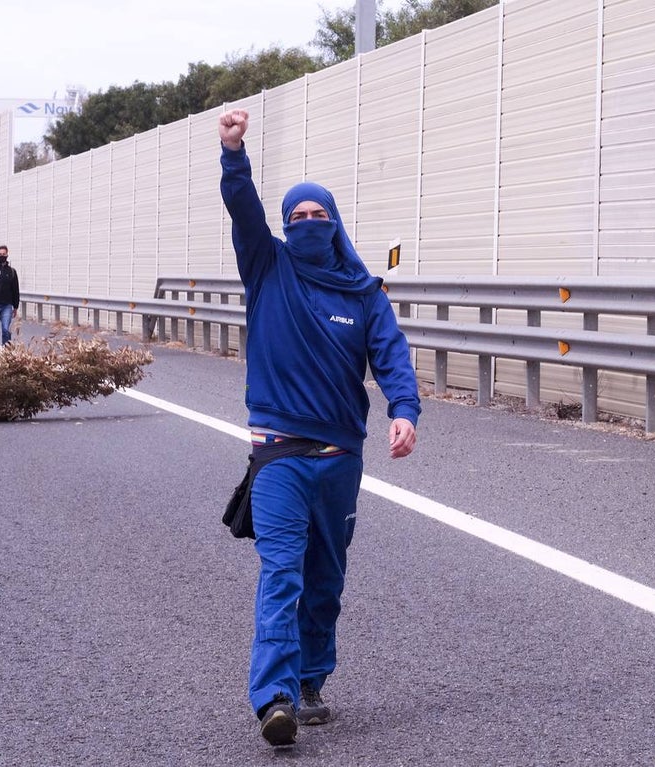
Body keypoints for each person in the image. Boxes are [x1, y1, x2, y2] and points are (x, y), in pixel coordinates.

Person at [218, 108, 421, 748]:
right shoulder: (267, 268)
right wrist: (233, 153)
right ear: (284, 227)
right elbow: (243, 211)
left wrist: (404, 411)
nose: (308, 225)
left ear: (335, 225)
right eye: (297, 218)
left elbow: (391, 356)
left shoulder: (363, 293)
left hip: (340, 458)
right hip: (277, 455)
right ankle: (273, 698)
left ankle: (309, 680)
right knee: (282, 572)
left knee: (326, 576)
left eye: (318, 216)